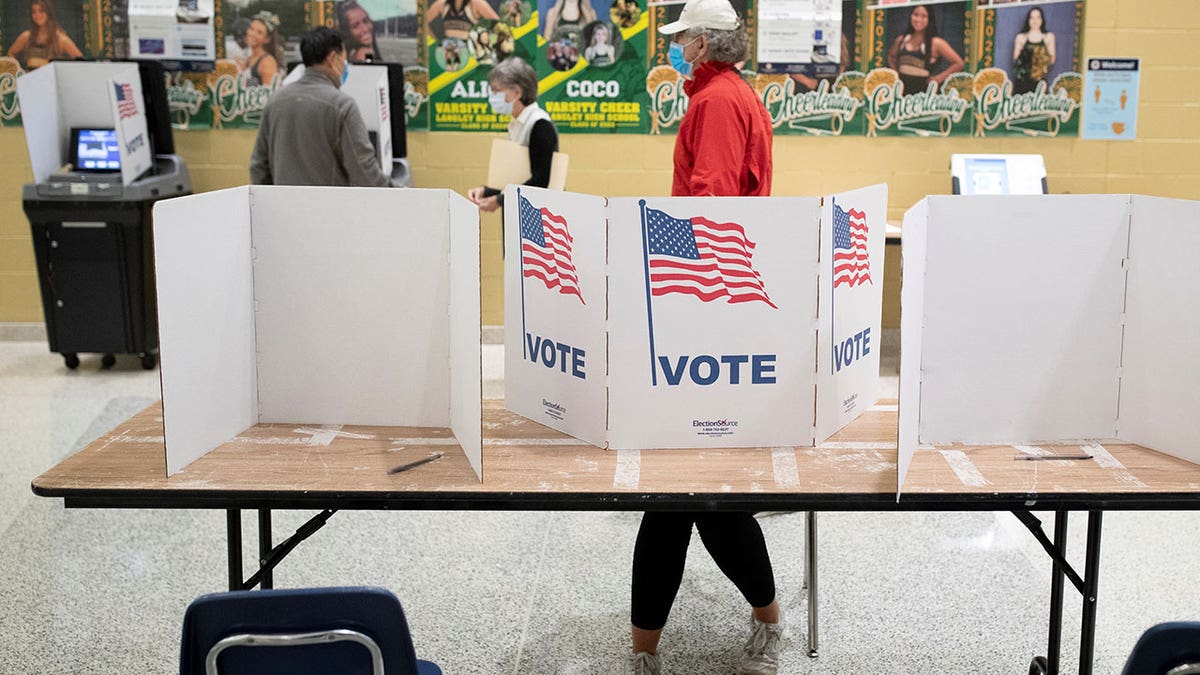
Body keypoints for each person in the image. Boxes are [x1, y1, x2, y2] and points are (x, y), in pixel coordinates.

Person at [626, 1, 777, 674]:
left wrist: (676, 308)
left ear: (706, 39)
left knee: (684, 494)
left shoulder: (715, 101)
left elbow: (708, 209)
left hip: (704, 309)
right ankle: (754, 620)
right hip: (720, 306)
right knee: (693, 494)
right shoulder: (736, 94)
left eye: (683, 35)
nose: (677, 44)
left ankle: (646, 652)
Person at [250, 27, 400, 187]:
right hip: (329, 209)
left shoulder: (275, 101)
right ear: (333, 57)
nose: (345, 64)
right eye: (344, 57)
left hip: (282, 208)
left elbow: (259, 167)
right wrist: (402, 192)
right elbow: (365, 174)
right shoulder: (342, 105)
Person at [466, 57, 558, 213]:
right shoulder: (516, 123)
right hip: (518, 209)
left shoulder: (540, 124)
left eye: (497, 90)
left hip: (539, 214)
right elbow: (515, 176)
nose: (492, 96)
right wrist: (486, 191)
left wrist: (499, 200)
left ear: (517, 92)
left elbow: (541, 180)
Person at [886, 4, 963, 94]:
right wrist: (895, 73)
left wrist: (938, 78)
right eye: (916, 15)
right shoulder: (902, 40)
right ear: (911, 16)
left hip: (923, 94)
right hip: (901, 92)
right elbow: (890, 56)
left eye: (924, 16)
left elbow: (959, 63)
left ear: (929, 19)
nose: (918, 19)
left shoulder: (936, 42)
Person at [6, 0, 83, 71]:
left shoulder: (60, 39)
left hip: (49, 82)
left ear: (48, 13)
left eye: (41, 11)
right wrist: (19, 71)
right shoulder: (27, 36)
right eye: (34, 12)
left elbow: (80, 60)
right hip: (30, 80)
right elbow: (11, 53)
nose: (37, 15)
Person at [1012, 6, 1055, 95]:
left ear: (1042, 19)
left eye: (1038, 17)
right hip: (1023, 81)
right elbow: (1015, 59)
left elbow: (1052, 59)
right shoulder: (1021, 37)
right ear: (1028, 20)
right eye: (1032, 17)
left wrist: (1040, 58)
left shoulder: (1049, 37)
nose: (1035, 21)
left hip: (1040, 80)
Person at [242, 11, 285, 87]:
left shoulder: (267, 62)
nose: (252, 34)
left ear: (267, 39)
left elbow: (271, 93)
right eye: (251, 29)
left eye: (259, 32)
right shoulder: (250, 58)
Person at [426, 0, 500, 41]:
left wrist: (488, 42)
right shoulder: (442, 4)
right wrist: (433, 40)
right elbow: (422, 22)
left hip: (469, 54)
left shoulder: (477, 3)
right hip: (448, 50)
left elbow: (500, 25)